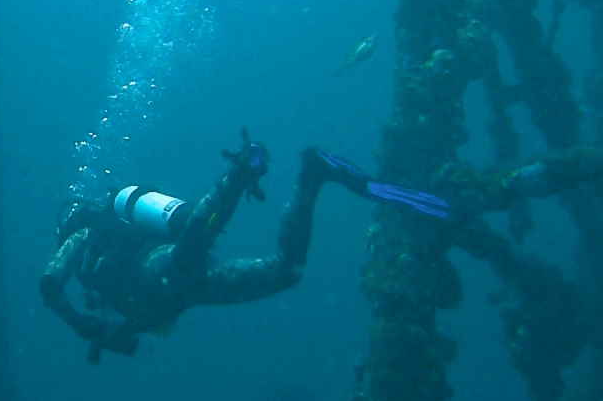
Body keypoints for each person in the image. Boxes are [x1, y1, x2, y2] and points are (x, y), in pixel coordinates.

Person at [41, 130, 448, 364]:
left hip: (158, 272)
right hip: (188, 292)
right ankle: (312, 174)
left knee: (186, 254)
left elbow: (49, 283)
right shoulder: (106, 284)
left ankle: (237, 176)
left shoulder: (82, 238)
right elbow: (138, 321)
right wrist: (106, 331)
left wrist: (77, 323)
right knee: (286, 272)